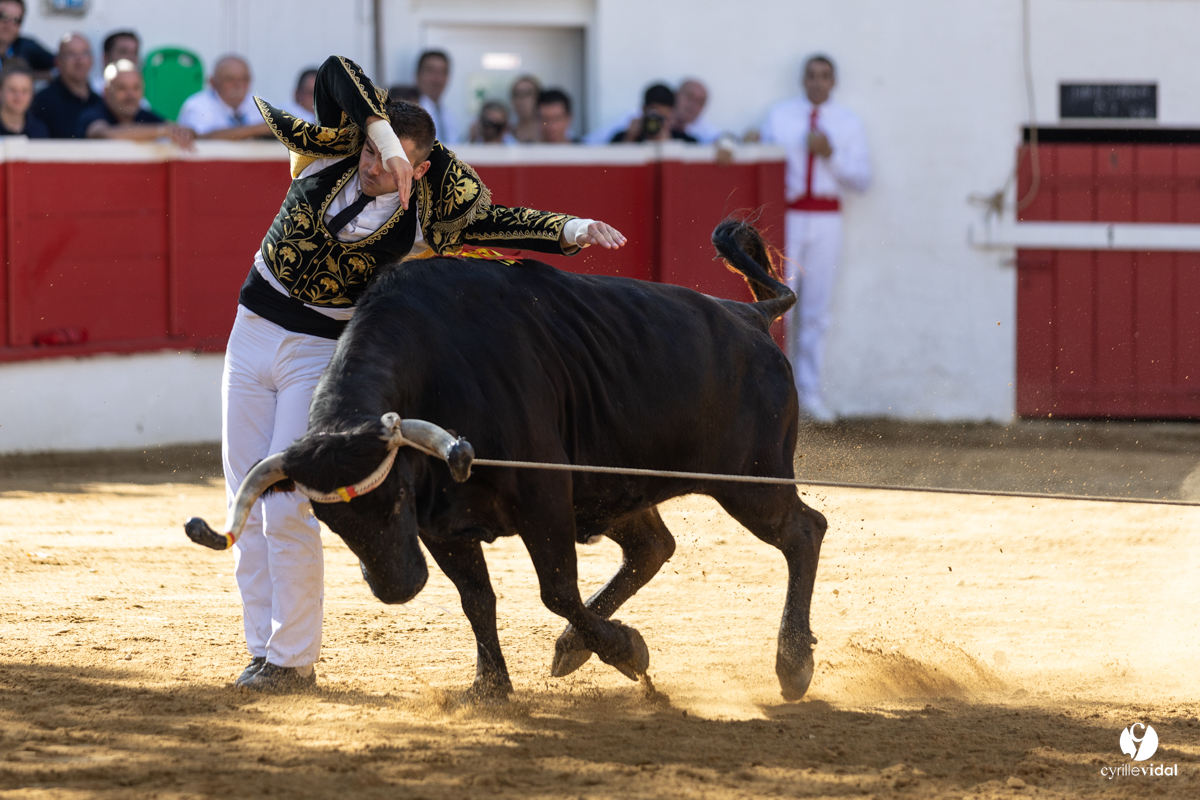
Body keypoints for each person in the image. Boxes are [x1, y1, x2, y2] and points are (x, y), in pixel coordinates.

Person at [227, 54, 626, 692]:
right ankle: (259, 649)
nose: (372, 171)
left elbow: (498, 222)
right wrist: (377, 134)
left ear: (420, 169)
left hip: (317, 347)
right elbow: (335, 71)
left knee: (287, 500)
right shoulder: (333, 149)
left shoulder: (434, 200)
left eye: (390, 167)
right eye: (369, 157)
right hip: (248, 332)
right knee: (243, 498)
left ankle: (290, 659)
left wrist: (570, 228)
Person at [759, 54, 871, 423]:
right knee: (778, 301)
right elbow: (763, 158)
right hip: (787, 214)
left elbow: (862, 180)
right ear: (803, 80)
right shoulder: (781, 116)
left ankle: (810, 391)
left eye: (824, 76)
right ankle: (773, 391)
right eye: (811, 75)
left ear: (833, 81)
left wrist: (831, 155)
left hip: (825, 216)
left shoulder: (848, 122)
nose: (817, 82)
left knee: (817, 308)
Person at [78, 59, 194, 148]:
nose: (130, 95)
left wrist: (180, 132)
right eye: (122, 88)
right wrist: (161, 131)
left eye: (136, 88)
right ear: (106, 92)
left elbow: (179, 130)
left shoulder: (144, 115)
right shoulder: (93, 113)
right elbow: (106, 134)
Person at [177, 55, 270, 140]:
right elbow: (200, 138)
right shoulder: (197, 105)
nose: (238, 85)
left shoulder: (261, 103)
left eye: (244, 79)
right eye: (230, 79)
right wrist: (257, 130)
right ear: (213, 82)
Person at [30, 33, 104, 138]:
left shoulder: (100, 102)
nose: (79, 61)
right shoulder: (42, 102)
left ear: (92, 60)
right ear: (58, 61)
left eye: (84, 53)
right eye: (71, 54)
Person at [610, 84, 696, 143]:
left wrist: (668, 143)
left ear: (672, 114)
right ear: (643, 110)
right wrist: (629, 139)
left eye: (663, 118)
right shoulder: (621, 137)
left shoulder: (686, 142)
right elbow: (609, 167)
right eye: (654, 117)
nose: (657, 123)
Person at [0, 0, 51, 77]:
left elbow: (60, 64)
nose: (10, 24)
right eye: (3, 16)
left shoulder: (27, 47)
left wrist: (29, 76)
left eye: (16, 20)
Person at [415, 50, 457, 143]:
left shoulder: (450, 116)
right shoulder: (410, 114)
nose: (437, 78)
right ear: (417, 75)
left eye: (442, 72)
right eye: (431, 71)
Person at [0, 60, 46, 137]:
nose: (18, 96)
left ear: (32, 94)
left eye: (24, 91)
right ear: (1, 91)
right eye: (12, 90)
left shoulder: (39, 130)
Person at [91, 29, 139, 95]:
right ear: (106, 58)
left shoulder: (142, 102)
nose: (131, 58)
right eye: (123, 52)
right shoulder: (91, 93)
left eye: (135, 53)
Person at [674, 79, 721, 144]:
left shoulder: (706, 131)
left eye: (699, 102)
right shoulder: (659, 118)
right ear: (676, 95)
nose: (693, 105)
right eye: (689, 97)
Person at [509, 75, 540, 143]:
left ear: (537, 98)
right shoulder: (505, 134)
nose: (521, 100)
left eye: (527, 94)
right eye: (516, 94)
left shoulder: (550, 133)